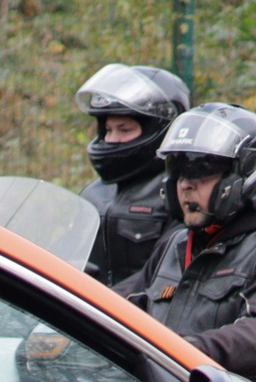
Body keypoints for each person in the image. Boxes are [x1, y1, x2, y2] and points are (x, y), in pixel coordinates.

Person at [125, 104, 256, 382]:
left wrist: (176, 350)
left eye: (202, 171)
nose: (186, 184)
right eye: (178, 172)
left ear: (244, 174)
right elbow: (122, 307)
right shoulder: (175, 245)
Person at [74, 63, 191, 287]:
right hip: (87, 313)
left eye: (124, 129)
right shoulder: (93, 194)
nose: (111, 139)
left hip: (138, 317)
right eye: (108, 130)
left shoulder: (181, 195)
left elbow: (166, 275)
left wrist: (107, 304)